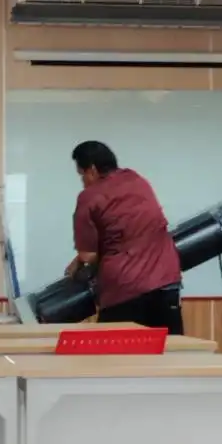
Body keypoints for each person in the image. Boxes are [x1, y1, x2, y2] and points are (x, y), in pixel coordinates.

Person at [65, 140, 184, 334]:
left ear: (92, 170)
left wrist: (78, 263)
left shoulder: (89, 196)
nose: (83, 182)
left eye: (82, 175)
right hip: (166, 281)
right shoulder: (137, 180)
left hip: (124, 289)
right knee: (168, 348)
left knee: (116, 351)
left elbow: (88, 255)